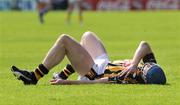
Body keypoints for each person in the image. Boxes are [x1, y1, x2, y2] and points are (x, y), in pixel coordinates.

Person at [11, 31, 166, 85]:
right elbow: (144, 45)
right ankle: (68, 69)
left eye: (144, 68)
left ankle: (34, 76)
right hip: (104, 62)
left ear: (145, 76)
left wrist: (69, 83)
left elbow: (101, 82)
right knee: (87, 36)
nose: (144, 66)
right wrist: (134, 62)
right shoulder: (152, 68)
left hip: (94, 72)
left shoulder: (133, 78)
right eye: (147, 66)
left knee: (64, 40)